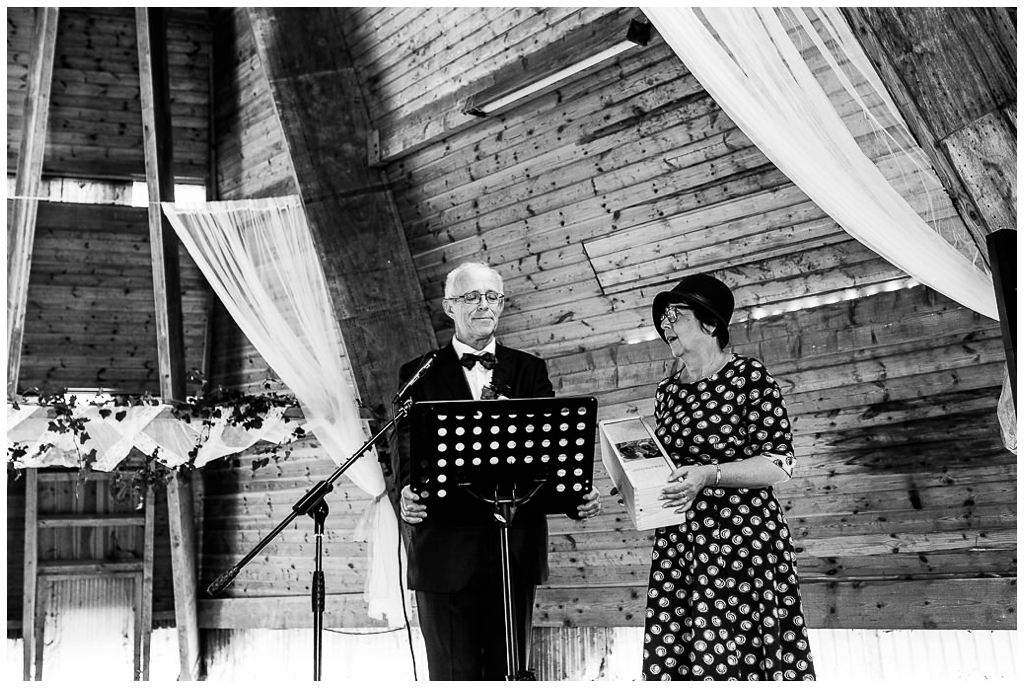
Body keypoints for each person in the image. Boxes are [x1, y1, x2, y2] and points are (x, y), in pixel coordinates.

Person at [392, 261, 602, 681]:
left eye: (492, 297)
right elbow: (404, 450)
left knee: (508, 674)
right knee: (454, 676)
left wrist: (576, 497)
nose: (484, 305)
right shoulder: (419, 373)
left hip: (514, 550)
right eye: (471, 297)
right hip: (445, 554)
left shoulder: (529, 370)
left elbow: (551, 454)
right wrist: (406, 491)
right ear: (449, 307)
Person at [642, 273, 815, 680]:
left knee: (745, 653)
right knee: (686, 654)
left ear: (710, 323)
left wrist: (708, 475)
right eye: (662, 318)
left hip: (742, 539)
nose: (664, 325)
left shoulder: (749, 377)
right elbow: (670, 465)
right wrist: (640, 485)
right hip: (681, 541)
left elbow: (780, 463)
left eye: (675, 315)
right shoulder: (666, 391)